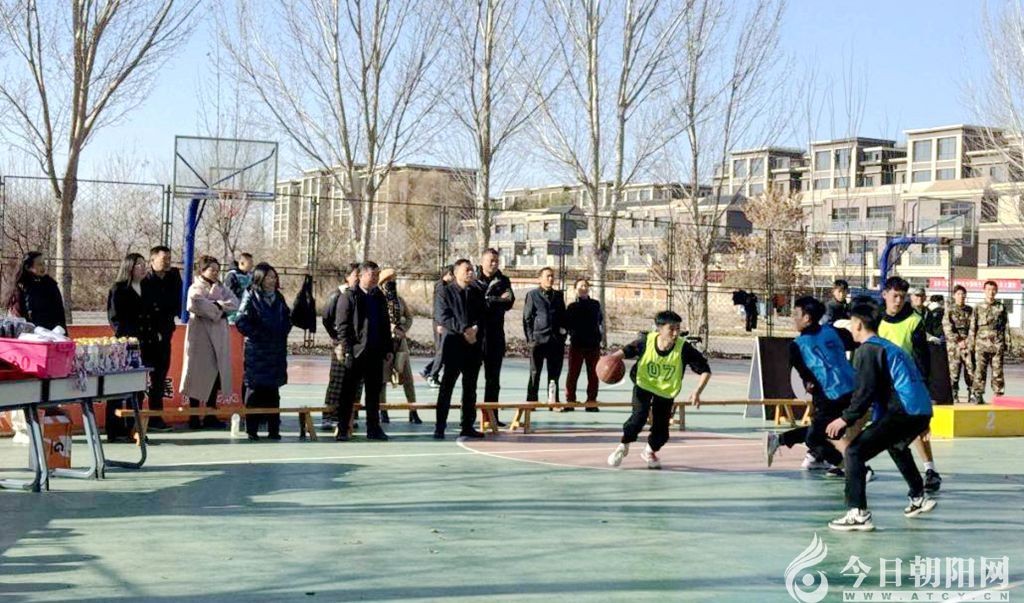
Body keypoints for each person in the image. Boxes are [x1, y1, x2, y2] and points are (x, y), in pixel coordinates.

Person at [825, 302, 937, 532]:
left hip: (905, 411)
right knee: (896, 445)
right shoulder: (887, 346)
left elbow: (865, 392)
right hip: (920, 409)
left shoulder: (868, 350)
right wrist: (923, 419)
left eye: (851, 324)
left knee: (854, 452)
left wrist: (845, 419)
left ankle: (858, 513)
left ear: (858, 324)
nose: (850, 329)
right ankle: (918, 496)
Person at [606, 311, 712, 469]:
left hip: (665, 390)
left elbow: (705, 370)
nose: (675, 333)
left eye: (678, 329)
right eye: (671, 329)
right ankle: (623, 445)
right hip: (644, 384)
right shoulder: (646, 341)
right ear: (659, 329)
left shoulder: (683, 348)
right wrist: (610, 361)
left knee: (662, 431)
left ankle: (649, 451)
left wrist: (697, 391)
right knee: (639, 417)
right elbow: (626, 351)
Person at [764, 297, 857, 475]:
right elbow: (855, 341)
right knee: (823, 432)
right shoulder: (827, 333)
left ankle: (850, 467)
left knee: (820, 435)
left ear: (807, 318)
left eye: (796, 314)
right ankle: (845, 465)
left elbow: (806, 375)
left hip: (836, 394)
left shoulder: (804, 343)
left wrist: (811, 383)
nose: (793, 318)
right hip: (841, 393)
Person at [878, 276, 941, 493]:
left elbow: (922, 360)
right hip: (879, 382)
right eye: (894, 296)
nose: (898, 301)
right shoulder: (875, 318)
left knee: (916, 428)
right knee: (856, 419)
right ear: (884, 294)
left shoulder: (914, 321)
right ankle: (848, 463)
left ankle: (930, 470)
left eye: (902, 297)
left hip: (905, 384)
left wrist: (923, 389)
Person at [335, 261, 392, 442]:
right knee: (348, 393)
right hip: (356, 352)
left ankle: (373, 428)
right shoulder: (349, 296)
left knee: (373, 394)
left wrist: (388, 348)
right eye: (371, 275)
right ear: (360, 276)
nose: (375, 278)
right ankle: (343, 428)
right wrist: (347, 349)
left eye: (377, 275)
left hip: (375, 352)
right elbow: (342, 325)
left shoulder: (379, 297)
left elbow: (385, 324)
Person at [180, 255, 239, 430]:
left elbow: (234, 303)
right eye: (212, 269)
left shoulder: (221, 287)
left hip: (219, 336)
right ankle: (193, 416)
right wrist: (220, 307)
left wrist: (215, 305)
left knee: (215, 376)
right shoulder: (195, 287)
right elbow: (196, 305)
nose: (215, 273)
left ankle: (211, 415)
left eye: (217, 270)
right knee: (197, 375)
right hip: (200, 337)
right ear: (202, 270)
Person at [234, 263, 291, 441]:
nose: (272, 280)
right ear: (260, 278)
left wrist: (283, 330)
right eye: (268, 277)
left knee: (273, 390)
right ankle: (252, 429)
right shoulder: (251, 295)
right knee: (255, 389)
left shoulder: (279, 298)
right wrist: (258, 334)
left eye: (274, 277)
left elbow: (287, 318)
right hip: (257, 350)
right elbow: (240, 320)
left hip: (276, 350)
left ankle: (274, 429)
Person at [434, 259, 485, 440]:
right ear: (456, 273)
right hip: (454, 346)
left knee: (470, 388)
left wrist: (475, 329)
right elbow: (443, 316)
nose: (470, 273)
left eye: (472, 270)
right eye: (466, 270)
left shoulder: (477, 292)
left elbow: (482, 315)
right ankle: (440, 426)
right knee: (447, 387)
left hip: (473, 346)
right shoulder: (445, 292)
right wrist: (464, 330)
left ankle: (467, 425)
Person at [105, 253, 149, 442]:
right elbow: (114, 318)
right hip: (125, 345)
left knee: (138, 389)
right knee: (118, 388)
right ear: (129, 267)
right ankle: (114, 429)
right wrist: (127, 337)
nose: (143, 268)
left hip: (144, 342)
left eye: (144, 264)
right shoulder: (118, 289)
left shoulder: (147, 287)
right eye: (139, 264)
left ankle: (134, 428)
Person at [140, 246, 183, 432]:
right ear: (152, 260)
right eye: (164, 259)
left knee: (159, 377)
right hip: (146, 335)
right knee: (141, 378)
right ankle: (137, 418)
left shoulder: (174, 277)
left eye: (169, 259)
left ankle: (156, 417)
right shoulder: (145, 280)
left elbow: (178, 303)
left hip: (165, 333)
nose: (167, 262)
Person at [475, 249, 515, 425]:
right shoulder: (474, 279)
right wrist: (495, 299)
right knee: (470, 379)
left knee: (493, 380)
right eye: (491, 260)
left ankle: (491, 417)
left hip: (495, 335)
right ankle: (468, 418)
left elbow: (509, 301)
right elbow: (475, 303)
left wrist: (489, 300)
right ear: (482, 261)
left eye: (496, 261)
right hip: (475, 336)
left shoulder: (503, 280)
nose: (494, 264)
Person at [379, 268, 421, 425]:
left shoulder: (400, 300)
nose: (392, 283)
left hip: (400, 344)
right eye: (388, 280)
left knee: (407, 378)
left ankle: (413, 410)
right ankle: (383, 411)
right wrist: (389, 328)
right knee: (382, 379)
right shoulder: (377, 300)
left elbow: (408, 317)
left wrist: (402, 329)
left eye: (393, 280)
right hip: (384, 344)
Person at [321, 263, 361, 431]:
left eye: (361, 275)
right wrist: (337, 338)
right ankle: (329, 415)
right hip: (341, 343)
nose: (358, 278)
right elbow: (326, 319)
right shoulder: (337, 295)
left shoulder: (362, 295)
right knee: (337, 380)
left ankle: (352, 415)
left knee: (357, 382)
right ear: (347, 277)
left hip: (358, 345)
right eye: (356, 275)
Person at [523, 267, 567, 406]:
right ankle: (532, 400)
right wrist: (531, 339)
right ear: (540, 279)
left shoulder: (558, 295)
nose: (550, 279)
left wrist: (563, 336)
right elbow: (527, 319)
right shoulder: (532, 295)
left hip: (555, 341)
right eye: (547, 276)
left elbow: (563, 316)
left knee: (554, 373)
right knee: (535, 372)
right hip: (538, 341)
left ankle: (553, 401)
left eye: (552, 276)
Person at [565, 278, 603, 411]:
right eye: (581, 286)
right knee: (573, 373)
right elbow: (567, 324)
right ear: (575, 289)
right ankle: (570, 400)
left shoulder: (595, 304)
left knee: (593, 374)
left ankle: (591, 401)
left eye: (586, 286)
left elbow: (600, 321)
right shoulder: (572, 307)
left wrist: (598, 337)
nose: (583, 288)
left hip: (593, 344)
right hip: (577, 344)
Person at [970, 280, 1009, 404]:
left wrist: (1007, 342)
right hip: (981, 343)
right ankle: (978, 394)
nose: (991, 292)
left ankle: (998, 395)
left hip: (997, 343)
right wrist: (971, 343)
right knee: (980, 370)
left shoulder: (1001, 307)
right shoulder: (978, 307)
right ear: (984, 291)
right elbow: (973, 326)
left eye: (993, 290)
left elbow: (1006, 326)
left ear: (996, 291)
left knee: (998, 371)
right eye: (988, 289)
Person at [6, 251, 66, 331]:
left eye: (44, 263)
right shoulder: (21, 287)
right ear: (28, 267)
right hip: (30, 333)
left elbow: (60, 312)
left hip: (53, 332)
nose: (43, 267)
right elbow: (17, 315)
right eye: (39, 264)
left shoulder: (51, 285)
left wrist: (61, 329)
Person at [421, 265, 455, 388]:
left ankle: (428, 370)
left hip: (444, 322)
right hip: (442, 322)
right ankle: (432, 375)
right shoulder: (442, 287)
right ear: (449, 274)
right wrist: (440, 323)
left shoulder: (446, 287)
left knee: (445, 351)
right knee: (442, 350)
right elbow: (440, 307)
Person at [943, 285, 973, 404]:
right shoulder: (949, 310)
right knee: (953, 371)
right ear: (954, 296)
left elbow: (974, 327)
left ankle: (972, 393)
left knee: (971, 370)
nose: (961, 296)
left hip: (968, 344)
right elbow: (947, 328)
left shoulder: (970, 310)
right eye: (959, 294)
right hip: (954, 346)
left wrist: (968, 340)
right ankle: (954, 393)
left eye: (963, 294)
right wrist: (958, 340)